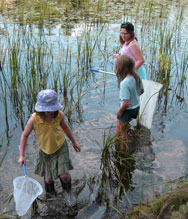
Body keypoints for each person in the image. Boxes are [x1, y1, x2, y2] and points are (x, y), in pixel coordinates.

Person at [18, 89, 81, 197]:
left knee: (64, 175)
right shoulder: (34, 119)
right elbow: (25, 135)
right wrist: (22, 155)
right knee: (49, 179)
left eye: (51, 109)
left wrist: (74, 142)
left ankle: (68, 193)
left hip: (61, 147)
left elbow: (65, 127)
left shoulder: (59, 115)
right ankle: (51, 196)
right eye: (47, 110)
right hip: (45, 152)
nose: (50, 112)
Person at [115, 55, 144, 152]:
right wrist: (134, 95)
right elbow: (142, 91)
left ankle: (123, 150)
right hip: (136, 108)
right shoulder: (137, 77)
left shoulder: (124, 83)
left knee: (124, 133)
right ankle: (115, 139)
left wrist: (120, 110)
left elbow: (126, 103)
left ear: (120, 68)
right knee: (118, 122)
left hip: (127, 110)